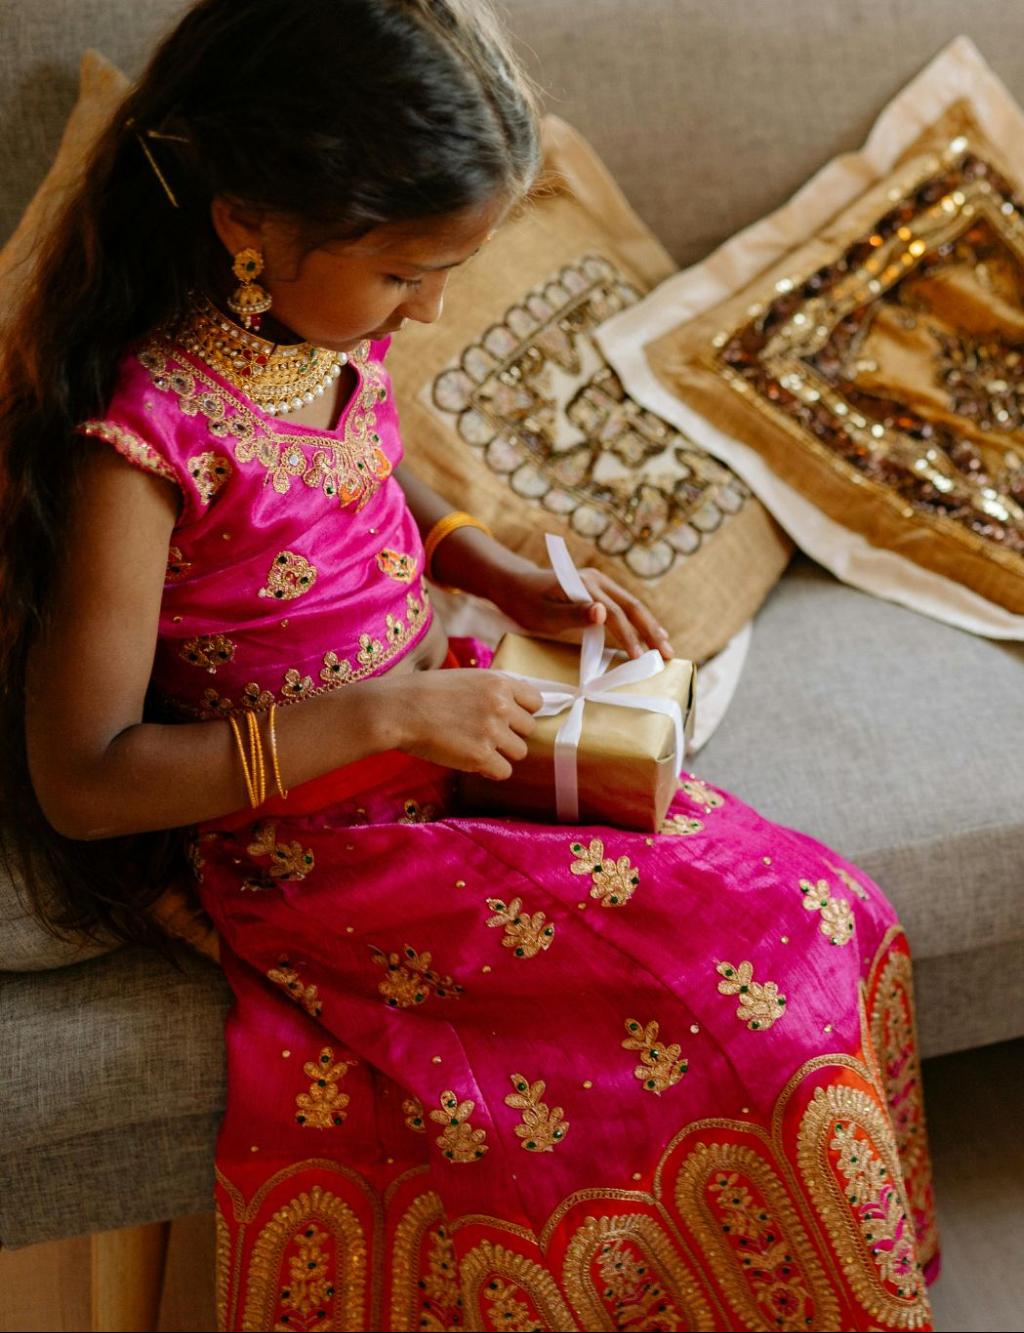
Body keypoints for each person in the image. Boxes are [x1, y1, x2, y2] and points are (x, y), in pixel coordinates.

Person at [0, 2, 936, 1326]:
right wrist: (390, 712)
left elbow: (376, 466)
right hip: (322, 851)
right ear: (247, 223)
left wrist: (484, 557)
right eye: (404, 273)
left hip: (451, 743)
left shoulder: (316, 330)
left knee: (828, 909)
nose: (430, 306)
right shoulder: (139, 446)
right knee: (751, 1018)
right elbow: (84, 780)